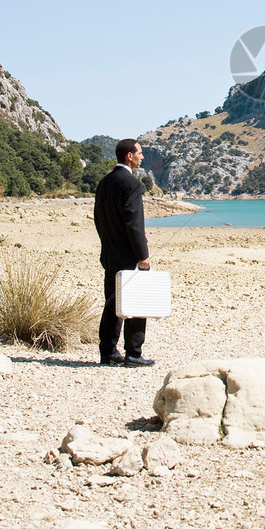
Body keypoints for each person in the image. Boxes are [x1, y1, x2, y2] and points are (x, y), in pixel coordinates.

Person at [93, 138, 154, 367]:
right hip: (129, 255)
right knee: (138, 302)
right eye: (140, 152)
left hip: (110, 254)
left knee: (112, 303)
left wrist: (107, 245)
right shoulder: (130, 183)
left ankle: (107, 352)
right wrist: (142, 254)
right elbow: (134, 222)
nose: (142, 156)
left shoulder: (105, 182)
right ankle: (133, 354)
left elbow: (98, 218)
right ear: (129, 155)